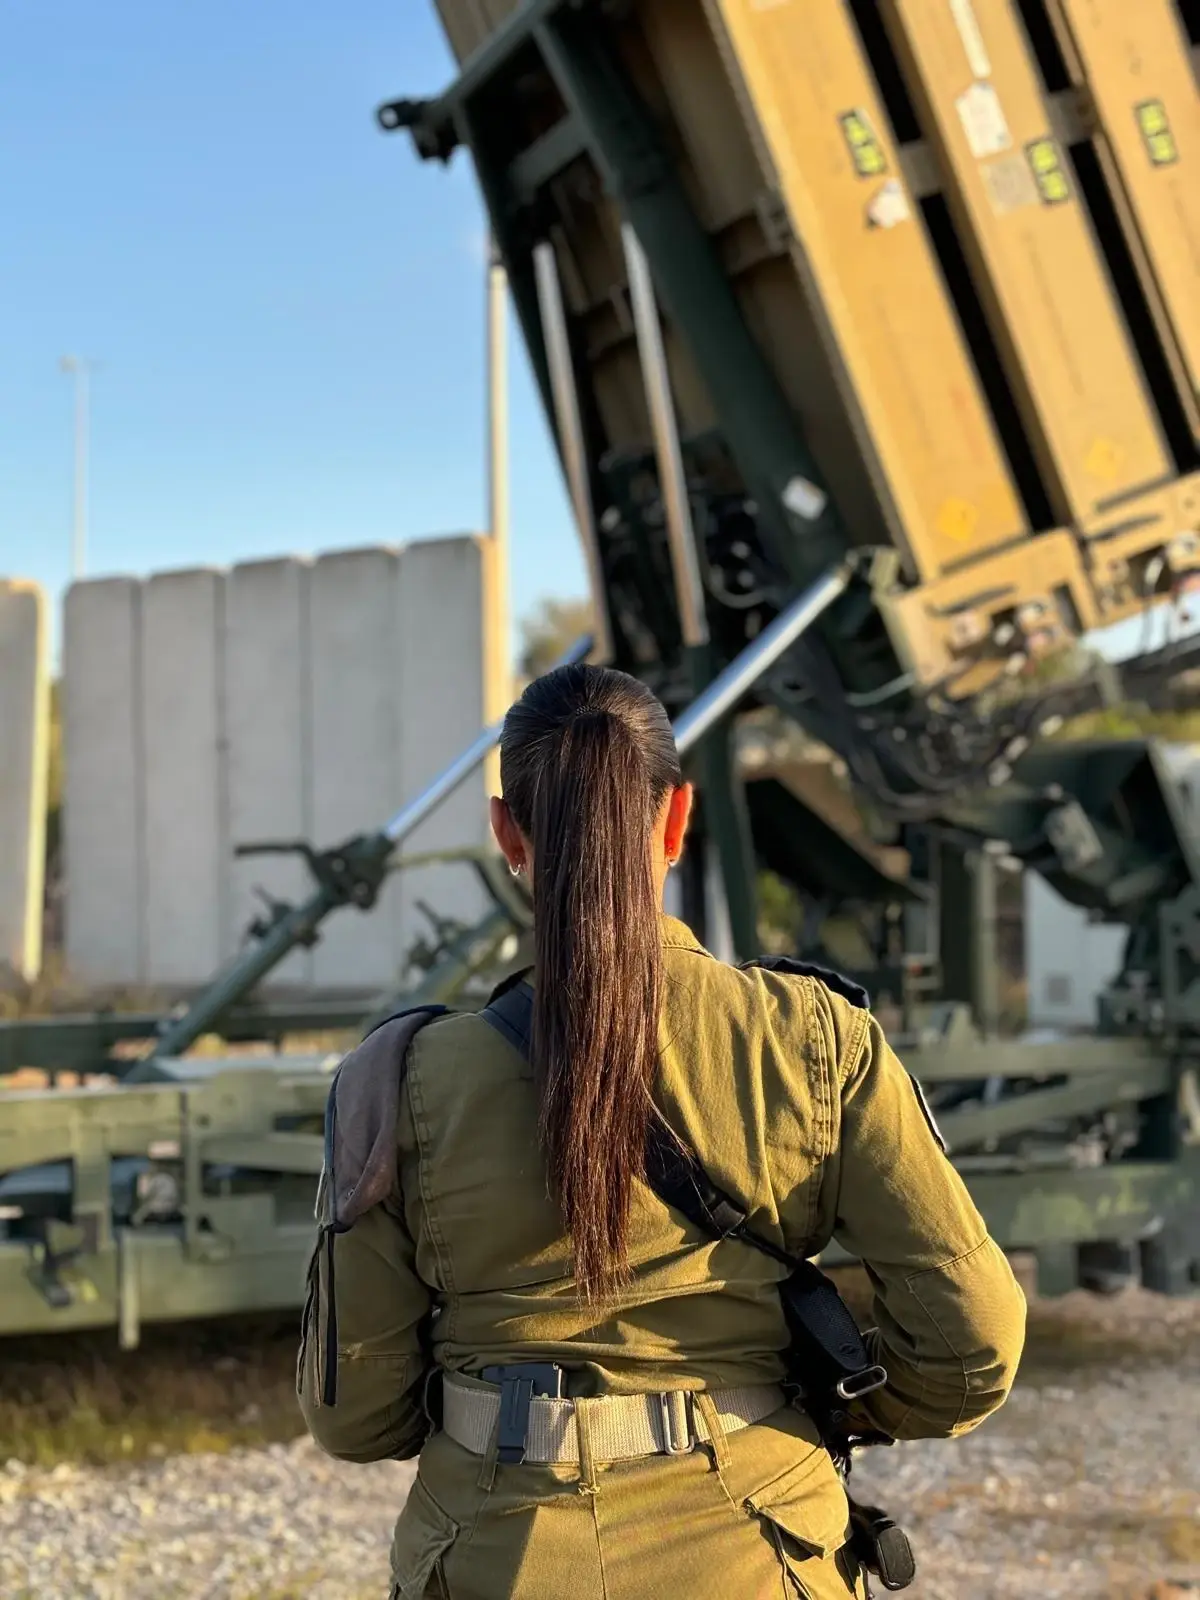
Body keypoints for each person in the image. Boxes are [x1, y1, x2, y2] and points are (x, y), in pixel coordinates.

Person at [297, 662, 1027, 1599]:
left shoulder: (397, 1081)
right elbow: (972, 1345)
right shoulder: (810, 1038)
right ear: (676, 820)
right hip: (759, 1553)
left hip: (493, 1557)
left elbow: (353, 1418)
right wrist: (825, 1408)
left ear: (506, 834)